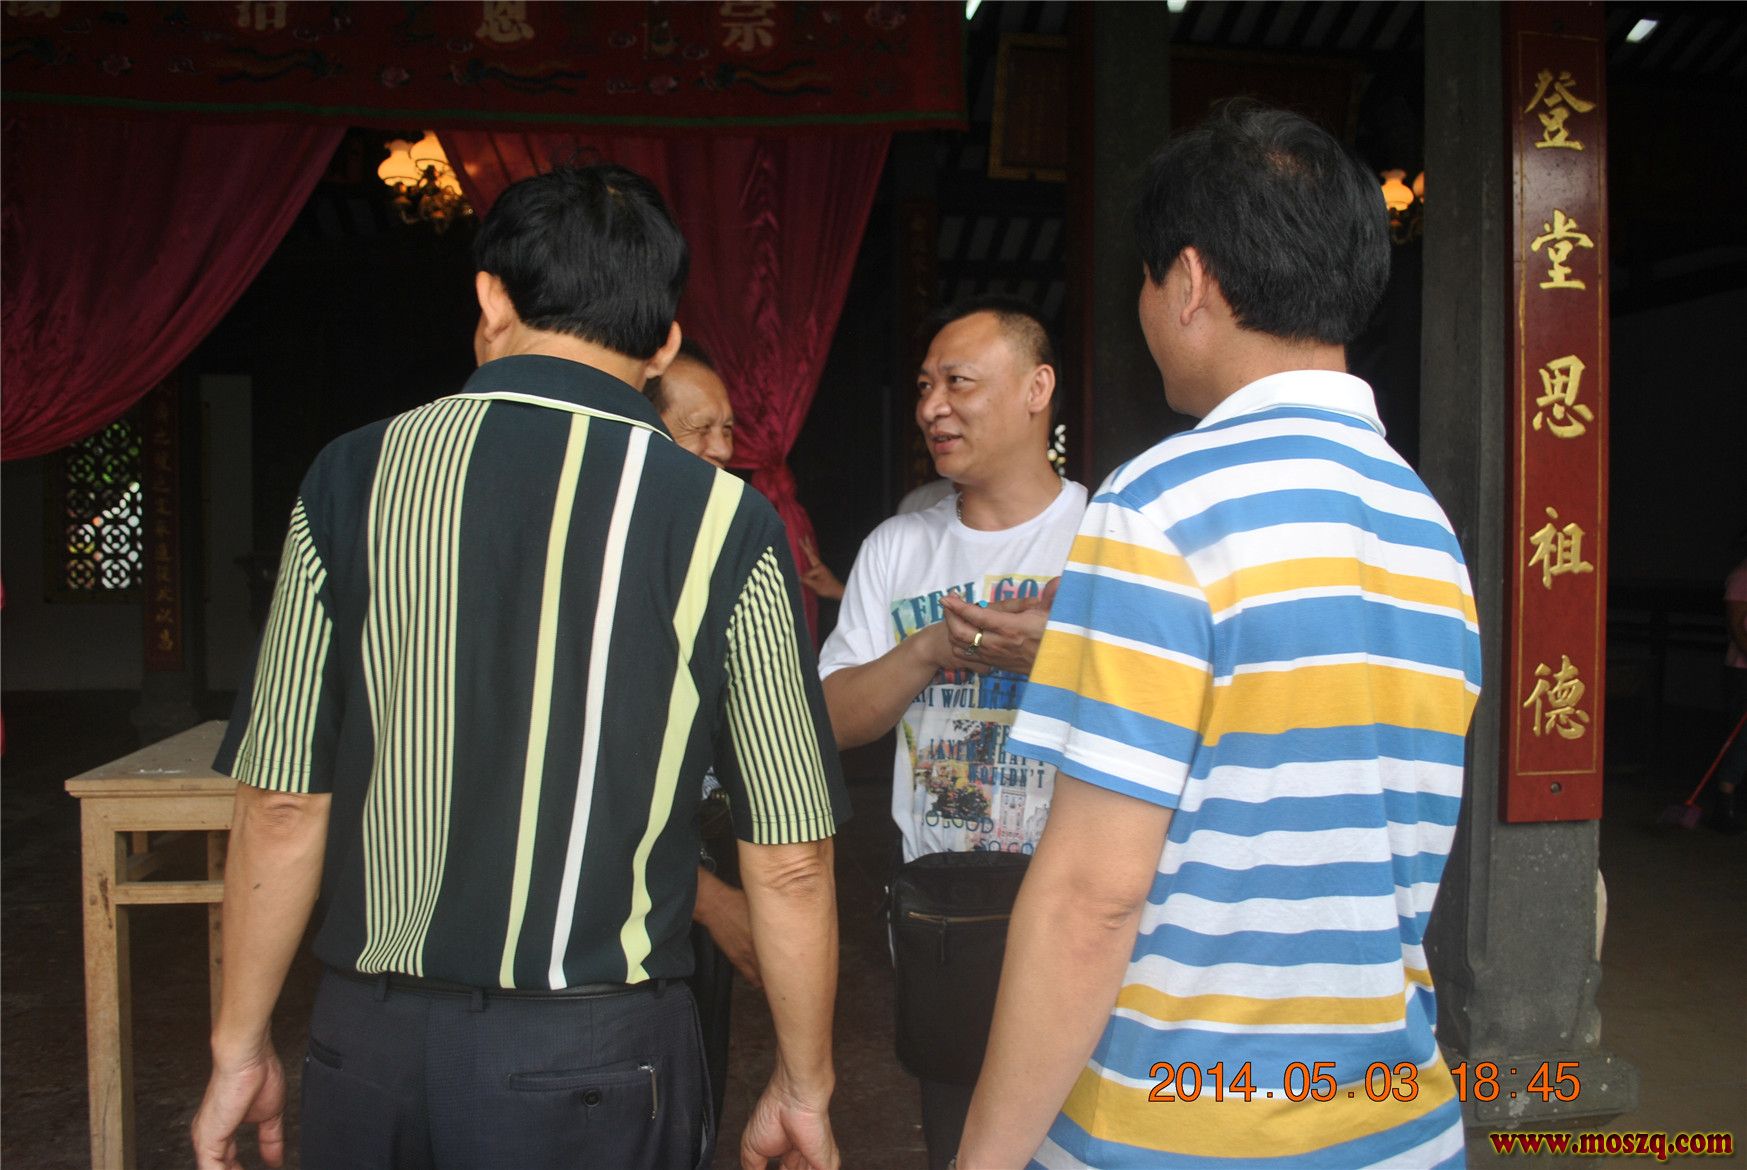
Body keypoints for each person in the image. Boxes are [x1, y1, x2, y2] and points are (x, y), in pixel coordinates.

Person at [191, 164, 849, 1170]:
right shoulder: (727, 523)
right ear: (663, 343)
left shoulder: (350, 478)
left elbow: (280, 803)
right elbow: (791, 853)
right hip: (598, 1054)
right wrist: (804, 1084)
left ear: (491, 299)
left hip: (368, 1045)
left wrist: (239, 1046)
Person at [958, 102, 1483, 1170]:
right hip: (1399, 1129)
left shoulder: (1160, 505)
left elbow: (1091, 900)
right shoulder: (1424, 525)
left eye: (1147, 280)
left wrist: (981, 1160)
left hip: (1174, 1129)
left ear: (1189, 282)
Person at [817, 295, 1087, 1169]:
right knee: (959, 1133)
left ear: (1036, 389)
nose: (933, 406)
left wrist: (1062, 653)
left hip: (1084, 904)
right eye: (924, 386)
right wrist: (932, 647)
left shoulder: (1108, 540)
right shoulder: (898, 549)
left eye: (958, 383)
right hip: (947, 918)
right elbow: (834, 720)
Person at [1710, 542, 1747, 833]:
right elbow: (1736, 625)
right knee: (1742, 737)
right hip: (1742, 669)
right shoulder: (1741, 576)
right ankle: (1724, 805)